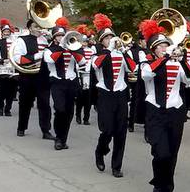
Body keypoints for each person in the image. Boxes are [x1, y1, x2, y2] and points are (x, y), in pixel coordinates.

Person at [139, 19, 190, 192]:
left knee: (172, 154)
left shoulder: (177, 64)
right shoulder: (147, 63)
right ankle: (157, 187)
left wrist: (184, 59)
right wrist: (164, 58)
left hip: (175, 112)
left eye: (166, 45)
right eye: (160, 46)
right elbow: (147, 75)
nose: (164, 48)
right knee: (160, 153)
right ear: (153, 49)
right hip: (155, 111)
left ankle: (167, 191)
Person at [92, 14, 136, 178]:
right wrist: (110, 49)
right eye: (106, 37)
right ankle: (100, 150)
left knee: (120, 132)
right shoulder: (98, 55)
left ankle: (116, 166)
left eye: (112, 36)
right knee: (107, 129)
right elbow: (96, 65)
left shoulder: (122, 54)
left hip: (121, 95)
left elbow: (133, 68)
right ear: (101, 41)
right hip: (105, 94)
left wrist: (124, 51)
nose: (110, 39)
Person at [43, 17, 85, 150]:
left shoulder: (74, 47)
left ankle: (63, 139)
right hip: (57, 83)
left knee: (69, 112)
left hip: (72, 82)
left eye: (63, 35)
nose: (61, 37)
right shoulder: (50, 49)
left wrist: (72, 49)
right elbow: (50, 61)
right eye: (59, 36)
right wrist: (62, 48)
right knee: (60, 110)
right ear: (54, 38)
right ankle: (58, 137)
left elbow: (83, 62)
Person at [13, 18, 54, 139]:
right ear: (30, 28)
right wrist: (37, 56)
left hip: (43, 76)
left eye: (40, 27)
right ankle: (21, 127)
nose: (39, 29)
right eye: (36, 27)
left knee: (45, 104)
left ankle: (46, 131)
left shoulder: (47, 40)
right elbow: (18, 59)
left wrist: (52, 38)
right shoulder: (22, 40)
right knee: (25, 103)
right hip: (27, 76)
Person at [0, 19, 18, 116]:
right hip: (2, 68)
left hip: (13, 69)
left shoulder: (15, 42)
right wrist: (1, 60)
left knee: (12, 90)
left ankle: (8, 109)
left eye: (8, 31)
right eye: (5, 31)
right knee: (2, 90)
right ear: (2, 32)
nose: (6, 33)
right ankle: (0, 106)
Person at [75, 26, 95, 126]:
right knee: (80, 98)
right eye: (82, 42)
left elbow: (92, 62)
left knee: (88, 99)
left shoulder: (91, 51)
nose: (84, 44)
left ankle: (86, 118)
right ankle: (78, 115)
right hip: (80, 74)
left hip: (88, 75)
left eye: (85, 42)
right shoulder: (76, 50)